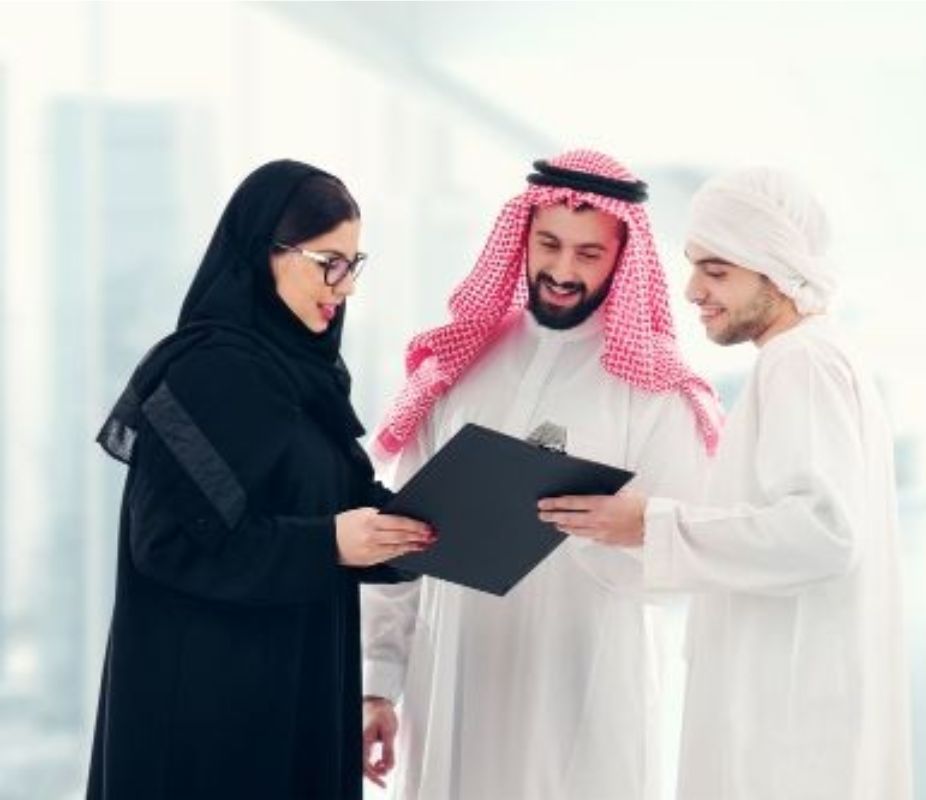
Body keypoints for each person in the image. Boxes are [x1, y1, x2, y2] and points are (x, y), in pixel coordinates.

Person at [539, 167, 913, 799]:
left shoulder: (800, 361)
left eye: (716, 272)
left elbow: (823, 533)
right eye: (694, 267)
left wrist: (650, 523)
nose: (693, 291)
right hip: (790, 702)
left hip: (789, 722)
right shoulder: (811, 356)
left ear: (776, 272)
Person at [361, 150, 720, 800]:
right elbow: (398, 540)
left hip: (582, 688)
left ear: (622, 258)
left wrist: (624, 530)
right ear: (522, 237)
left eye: (589, 253)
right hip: (453, 677)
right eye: (549, 244)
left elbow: (691, 555)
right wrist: (377, 684)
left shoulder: (656, 392)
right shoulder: (458, 366)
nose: (562, 270)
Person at [87, 160, 432, 800]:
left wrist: (432, 526)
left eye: (353, 264)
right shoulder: (210, 372)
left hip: (293, 689)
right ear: (263, 254)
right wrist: (329, 543)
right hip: (213, 715)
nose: (345, 287)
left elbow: (327, 503)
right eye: (329, 263)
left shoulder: (305, 377)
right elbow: (167, 543)